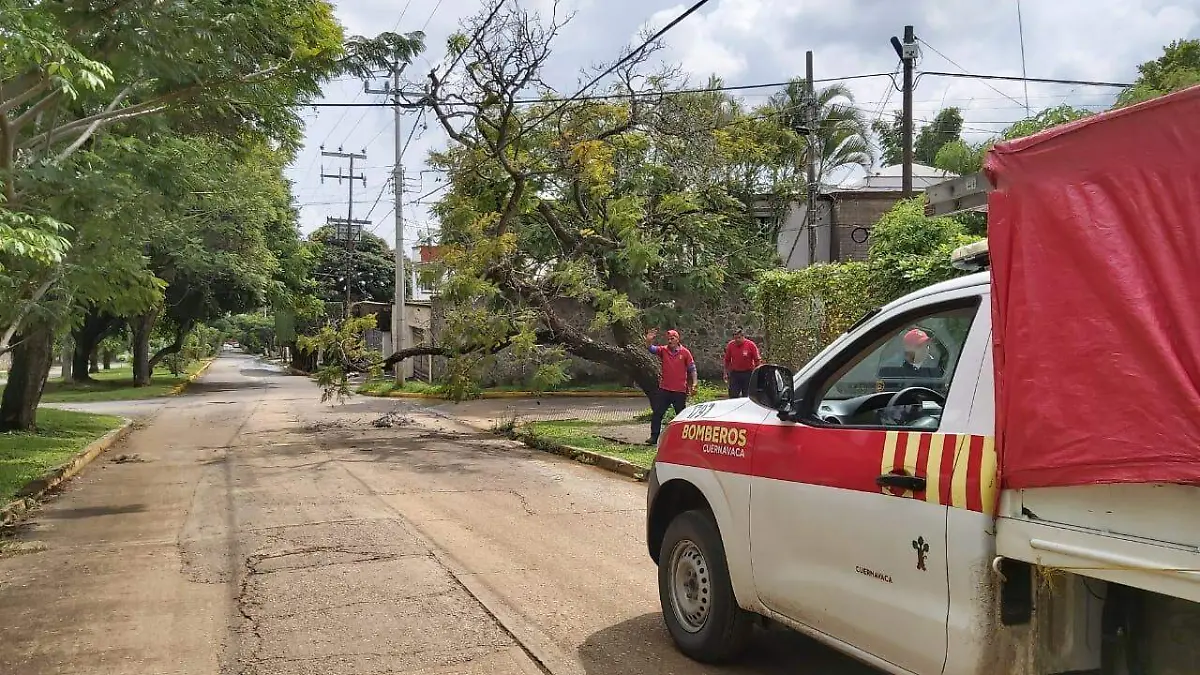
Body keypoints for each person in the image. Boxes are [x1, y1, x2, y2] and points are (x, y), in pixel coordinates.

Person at [645, 328, 697, 446]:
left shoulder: (685, 352)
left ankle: (683, 439)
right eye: (668, 339)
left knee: (681, 416)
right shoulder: (663, 350)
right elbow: (650, 348)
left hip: (679, 391)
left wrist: (694, 383)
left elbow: (692, 368)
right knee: (657, 413)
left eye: (672, 338)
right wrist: (648, 340)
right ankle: (654, 437)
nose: (669, 341)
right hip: (665, 389)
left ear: (678, 339)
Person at [723, 327, 761, 398]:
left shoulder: (750, 345)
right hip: (735, 373)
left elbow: (757, 360)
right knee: (733, 395)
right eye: (735, 338)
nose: (737, 340)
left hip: (748, 373)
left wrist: (757, 374)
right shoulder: (731, 345)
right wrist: (725, 373)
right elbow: (727, 360)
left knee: (747, 396)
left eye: (739, 338)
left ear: (743, 337)